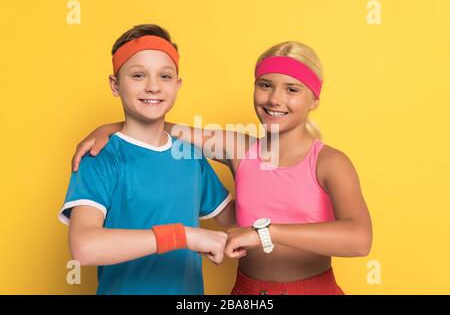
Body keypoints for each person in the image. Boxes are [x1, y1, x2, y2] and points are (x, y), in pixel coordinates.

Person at [72, 41, 372, 295]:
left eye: (292, 89)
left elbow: (360, 238)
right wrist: (111, 128)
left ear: (314, 99)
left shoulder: (330, 162)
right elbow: (157, 123)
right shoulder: (240, 150)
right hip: (246, 291)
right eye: (265, 85)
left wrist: (266, 233)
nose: (275, 99)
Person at [58, 24, 234, 295]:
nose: (153, 87)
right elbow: (85, 247)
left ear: (178, 85)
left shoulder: (189, 155)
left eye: (165, 76)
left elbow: (234, 217)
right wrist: (183, 236)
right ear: (115, 85)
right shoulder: (101, 157)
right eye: (138, 75)